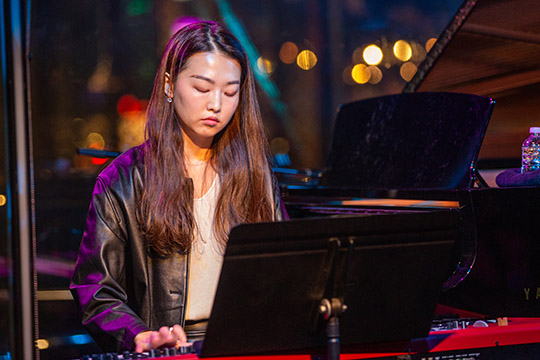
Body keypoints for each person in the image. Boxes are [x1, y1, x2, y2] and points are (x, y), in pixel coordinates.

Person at [70, 21, 287, 353]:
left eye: (231, 92)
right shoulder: (124, 180)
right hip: (174, 349)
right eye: (202, 88)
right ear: (170, 85)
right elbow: (96, 291)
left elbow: (287, 273)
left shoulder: (255, 175)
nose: (216, 104)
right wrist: (141, 336)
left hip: (248, 346)